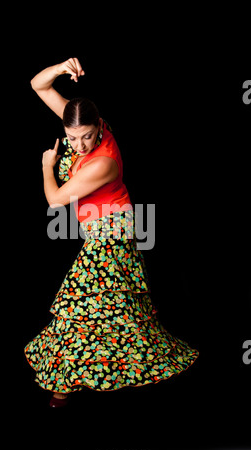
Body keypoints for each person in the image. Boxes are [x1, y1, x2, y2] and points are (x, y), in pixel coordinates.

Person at [24, 58, 199, 408]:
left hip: (111, 232)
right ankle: (103, 369)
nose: (79, 145)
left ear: (99, 127)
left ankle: (61, 389)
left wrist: (46, 166)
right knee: (110, 307)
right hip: (101, 230)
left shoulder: (103, 162)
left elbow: (56, 200)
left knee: (80, 303)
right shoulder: (82, 125)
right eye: (72, 137)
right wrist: (61, 67)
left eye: (86, 136)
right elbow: (37, 85)